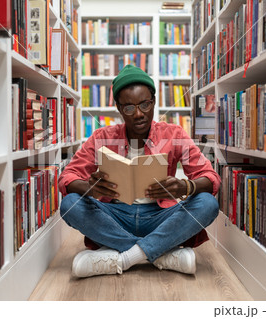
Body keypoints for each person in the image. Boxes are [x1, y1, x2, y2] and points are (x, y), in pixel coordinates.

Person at [58, 65, 220, 278]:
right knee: (70, 204)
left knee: (208, 203)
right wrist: (89, 187)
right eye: (128, 108)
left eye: (145, 104)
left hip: (161, 217)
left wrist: (186, 186)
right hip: (115, 218)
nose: (139, 114)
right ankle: (159, 254)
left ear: (153, 101)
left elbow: (211, 177)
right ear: (118, 108)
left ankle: (125, 258)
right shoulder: (102, 136)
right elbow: (67, 177)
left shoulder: (173, 133)